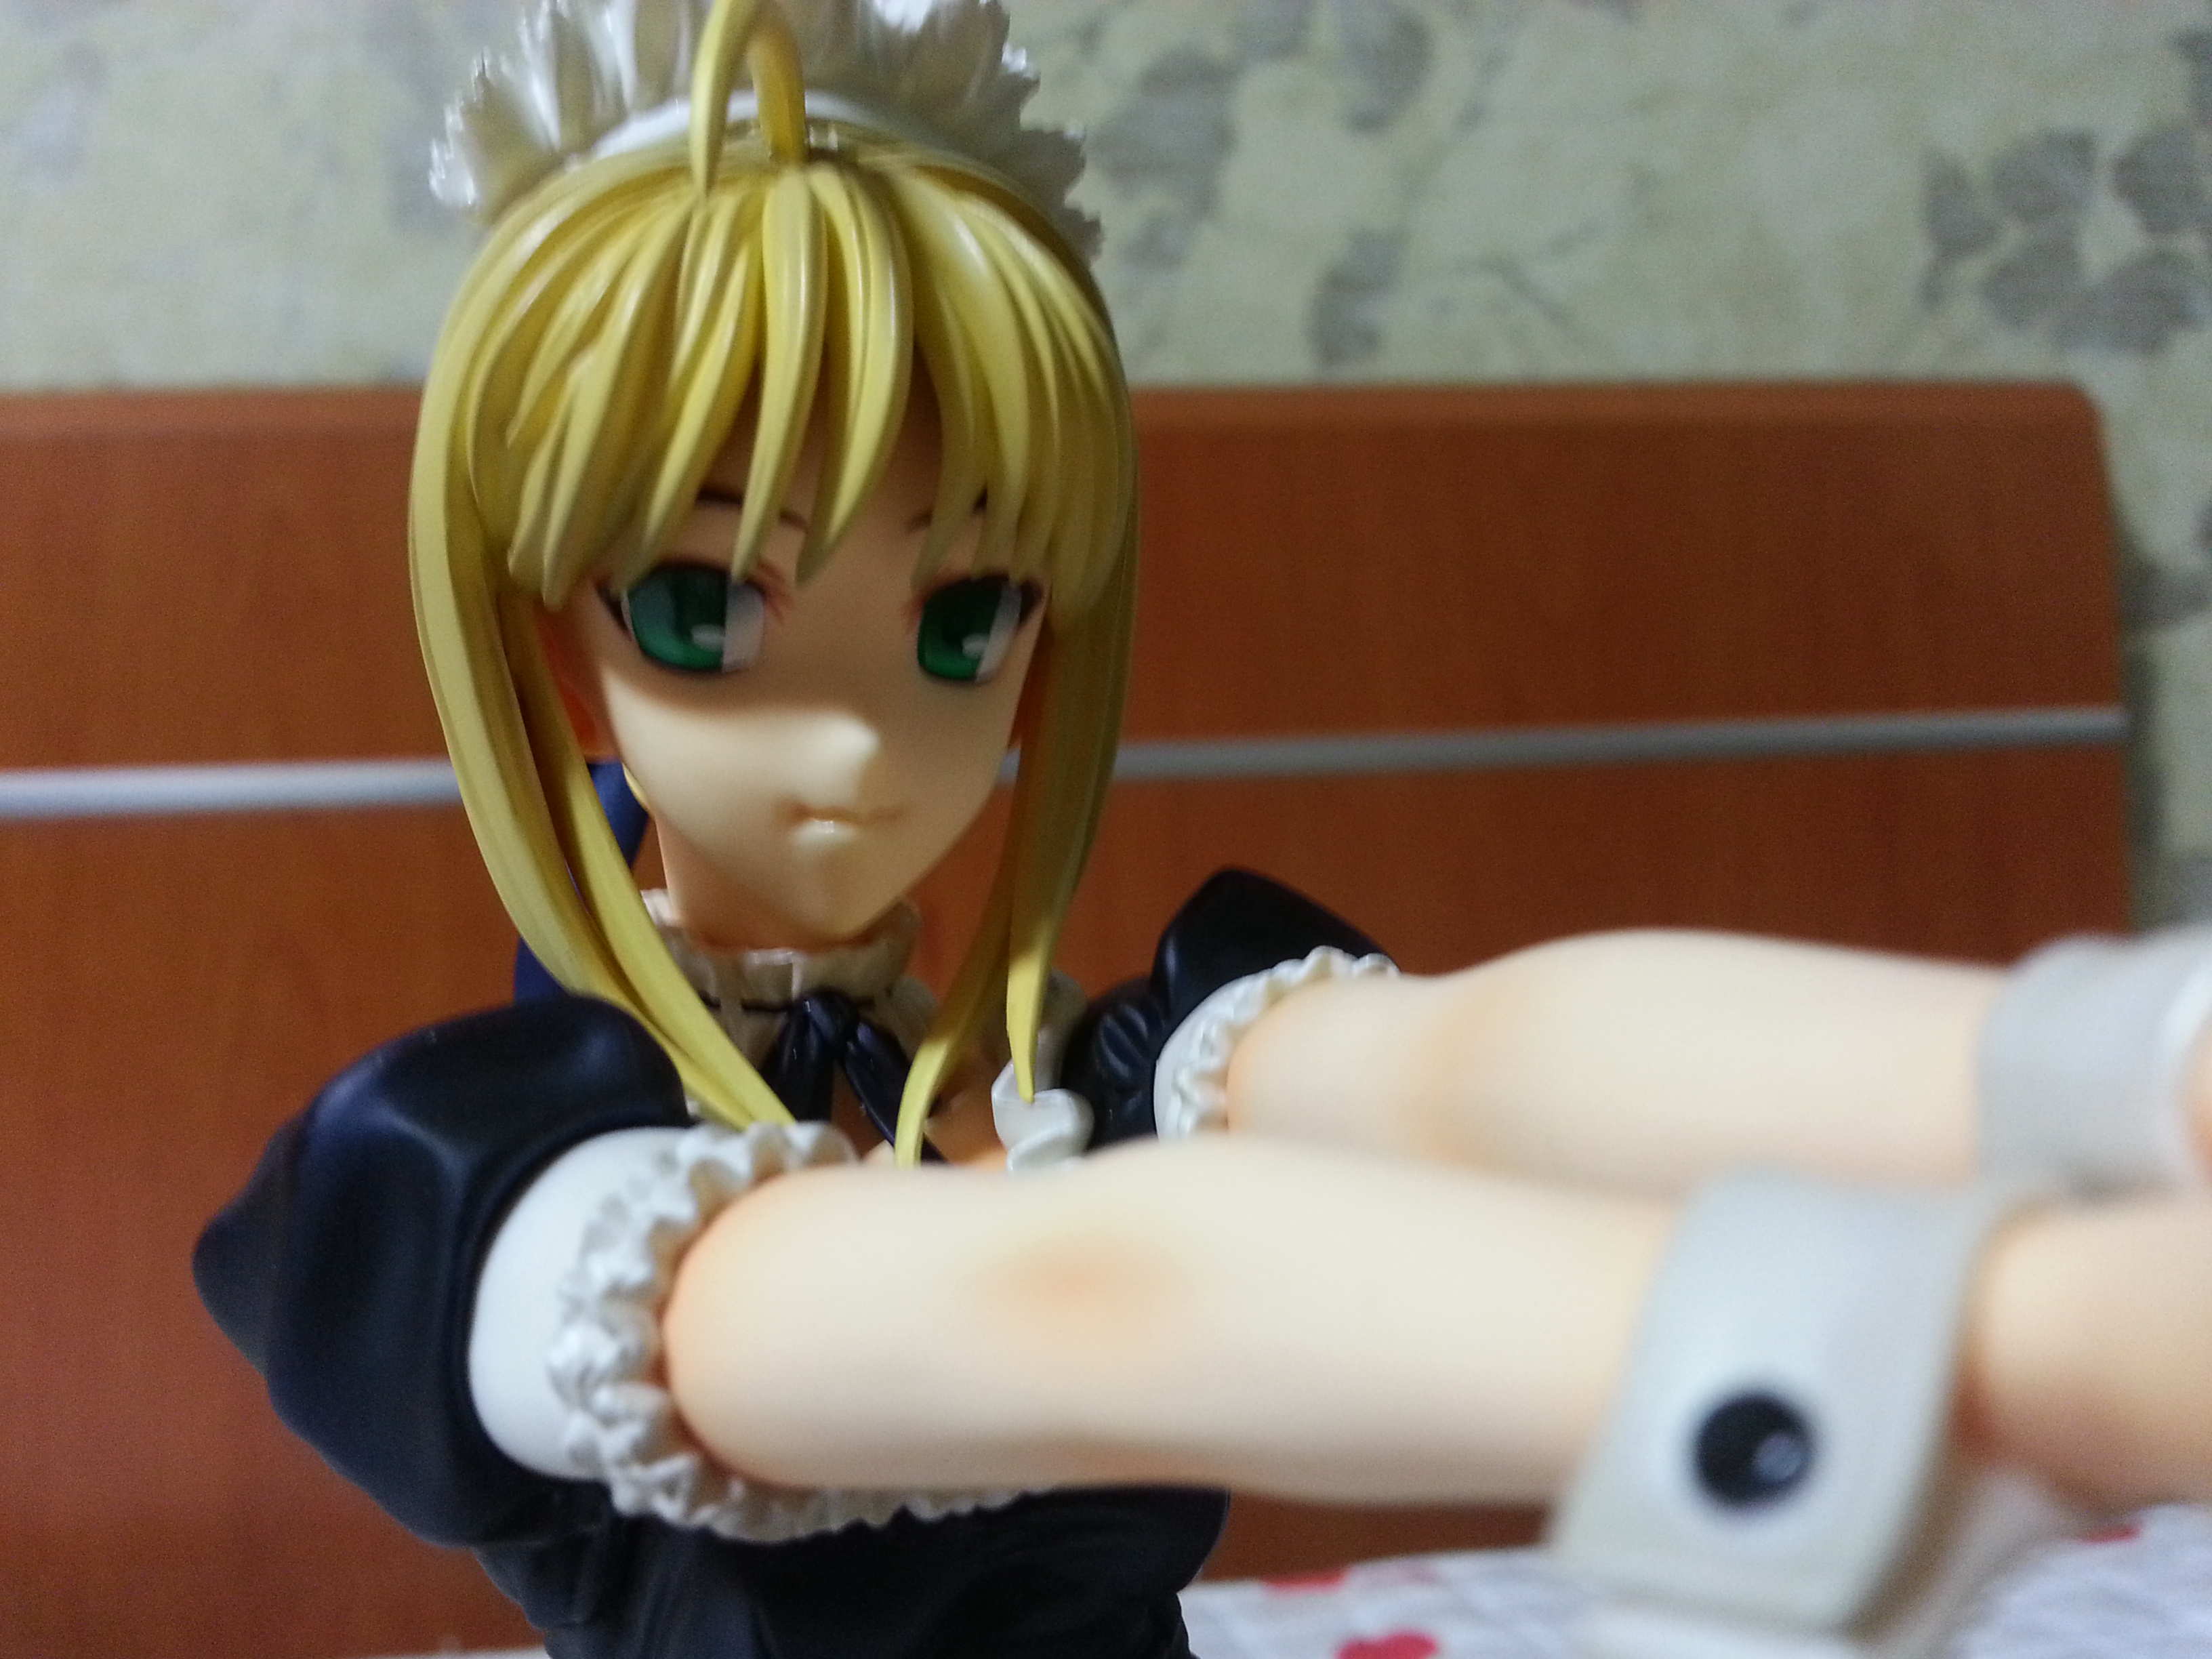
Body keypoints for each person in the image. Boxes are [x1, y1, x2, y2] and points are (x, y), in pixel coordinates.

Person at [196, 2, 2212, 1656]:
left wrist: (2120, 1062)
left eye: (965, 622)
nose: (868, 742)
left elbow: (1467, 1057)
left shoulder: (1095, 1075)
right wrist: (1981, 1358)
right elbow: (1063, 1304)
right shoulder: (474, 1199)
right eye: (708, 612)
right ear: (551, 648)